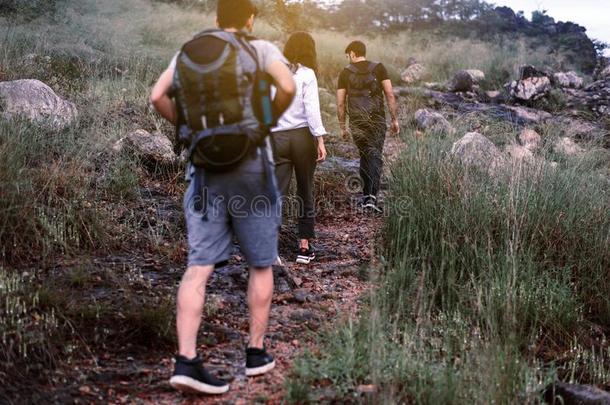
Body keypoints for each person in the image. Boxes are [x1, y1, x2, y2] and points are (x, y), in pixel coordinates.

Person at [150, 0, 296, 395]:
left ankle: (186, 361)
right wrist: (263, 125)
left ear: (215, 19)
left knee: (198, 267)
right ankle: (255, 354)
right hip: (252, 169)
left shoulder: (187, 51)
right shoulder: (260, 49)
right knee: (261, 263)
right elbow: (287, 86)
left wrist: (187, 128)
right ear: (249, 19)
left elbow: (157, 95)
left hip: (203, 172)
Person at [272, 32, 327, 265]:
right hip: (303, 138)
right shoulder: (308, 74)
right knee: (305, 190)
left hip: (278, 138)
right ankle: (304, 248)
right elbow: (311, 109)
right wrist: (320, 139)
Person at [336, 40, 399, 213]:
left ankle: (366, 197)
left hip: (357, 121)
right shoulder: (379, 68)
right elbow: (390, 94)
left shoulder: (345, 73)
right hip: (377, 119)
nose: (348, 58)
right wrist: (394, 119)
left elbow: (340, 104)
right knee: (375, 155)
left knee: (365, 155)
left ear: (353, 54)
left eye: (348, 55)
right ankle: (371, 198)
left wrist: (343, 127)